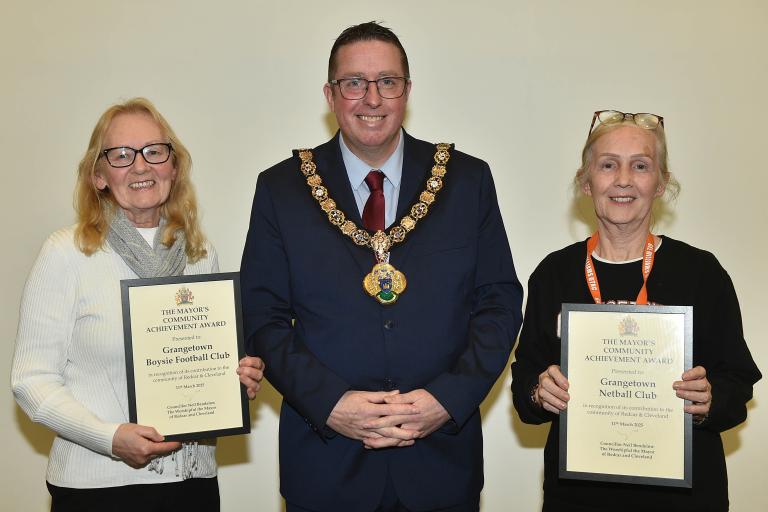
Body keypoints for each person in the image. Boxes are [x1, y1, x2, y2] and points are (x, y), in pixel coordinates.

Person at [240, 22, 523, 512]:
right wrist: (331, 405)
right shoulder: (281, 190)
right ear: (330, 94)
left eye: (387, 82)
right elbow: (263, 316)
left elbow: (498, 302)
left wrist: (447, 400)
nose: (372, 98)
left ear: (407, 91)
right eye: (354, 83)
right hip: (326, 463)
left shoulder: (466, 181)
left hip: (442, 463)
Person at [11, 97, 265, 512]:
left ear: (174, 165)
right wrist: (109, 438)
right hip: (98, 489)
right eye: (121, 155)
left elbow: (204, 360)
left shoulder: (201, 254)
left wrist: (237, 375)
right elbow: (32, 380)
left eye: (154, 151)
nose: (141, 166)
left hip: (193, 483)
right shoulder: (67, 253)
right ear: (98, 176)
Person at [511, 110, 761, 511]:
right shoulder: (553, 273)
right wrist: (539, 392)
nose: (623, 179)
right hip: (578, 496)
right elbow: (524, 380)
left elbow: (739, 379)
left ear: (660, 183)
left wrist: (710, 398)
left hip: (685, 497)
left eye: (640, 166)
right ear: (586, 181)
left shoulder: (701, 272)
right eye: (608, 165)